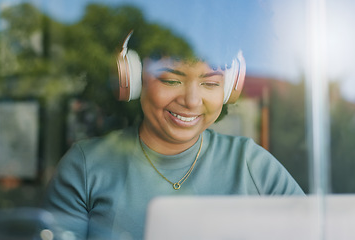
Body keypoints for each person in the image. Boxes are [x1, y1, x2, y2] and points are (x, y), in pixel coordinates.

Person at [42, 33, 304, 240]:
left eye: (211, 83)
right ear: (134, 81)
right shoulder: (86, 166)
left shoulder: (251, 163)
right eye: (170, 80)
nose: (191, 101)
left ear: (228, 92)